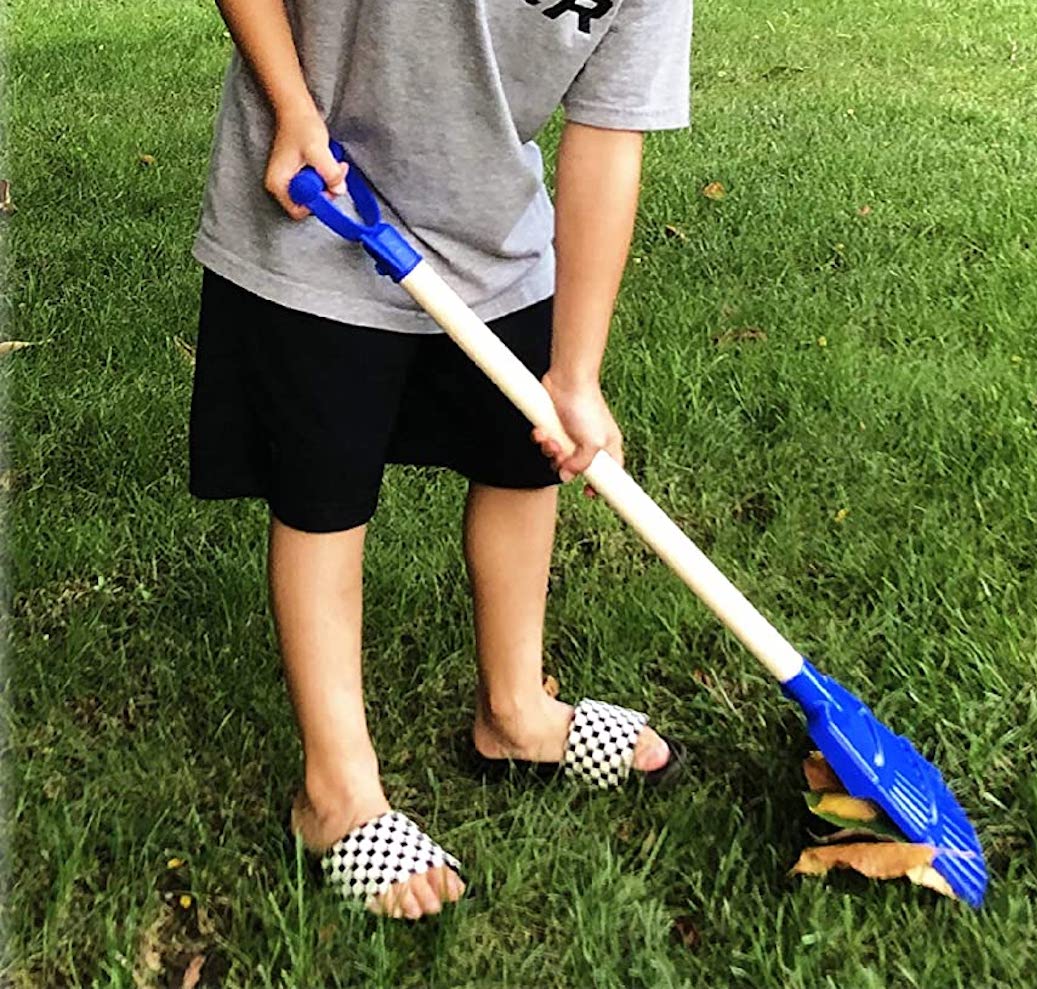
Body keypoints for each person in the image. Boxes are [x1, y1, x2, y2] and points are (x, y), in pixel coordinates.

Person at [188, 0, 693, 921]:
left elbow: (610, 132)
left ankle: (515, 712)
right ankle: (336, 791)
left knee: (521, 462)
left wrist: (574, 374)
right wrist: (292, 107)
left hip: (495, 240)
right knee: (323, 496)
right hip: (316, 210)